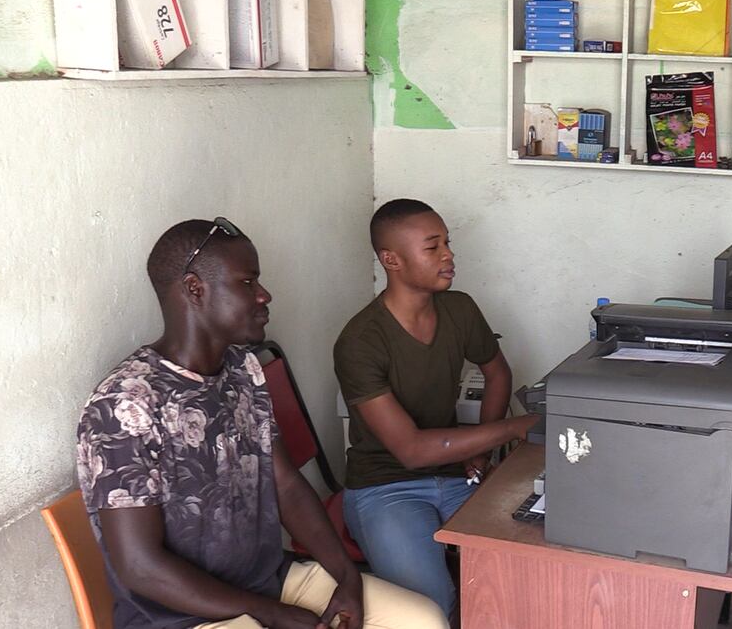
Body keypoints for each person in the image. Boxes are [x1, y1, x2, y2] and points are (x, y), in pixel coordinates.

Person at [76, 218, 448, 629]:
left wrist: (346, 577)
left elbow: (286, 485)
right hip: (180, 616)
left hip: (267, 582)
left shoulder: (242, 369)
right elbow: (140, 567)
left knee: (423, 620)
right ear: (195, 289)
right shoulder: (126, 404)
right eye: (247, 282)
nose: (264, 294)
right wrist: (274, 615)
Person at [333, 199, 539, 620]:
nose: (448, 255)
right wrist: (514, 428)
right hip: (385, 486)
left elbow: (497, 372)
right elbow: (411, 451)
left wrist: (480, 453)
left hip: (456, 475)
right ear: (391, 260)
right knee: (430, 609)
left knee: (522, 578)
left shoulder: (459, 309)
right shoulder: (360, 342)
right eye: (433, 247)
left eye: (447, 242)